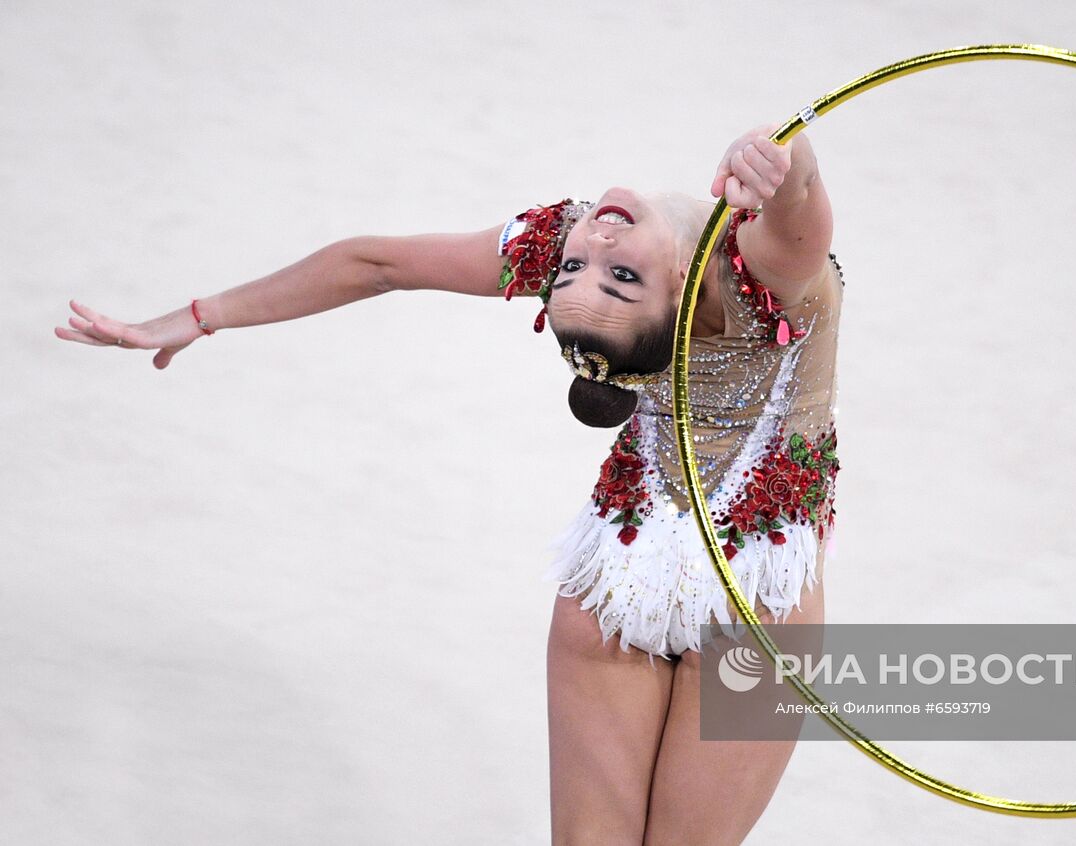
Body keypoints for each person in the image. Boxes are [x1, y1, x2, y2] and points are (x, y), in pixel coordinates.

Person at [55, 122, 845, 844]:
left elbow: (379, 264)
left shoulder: (669, 259)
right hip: (666, 593)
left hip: (704, 596)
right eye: (594, 272)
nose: (592, 243)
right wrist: (785, 158)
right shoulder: (689, 265)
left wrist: (784, 155)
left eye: (593, 271)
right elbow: (376, 265)